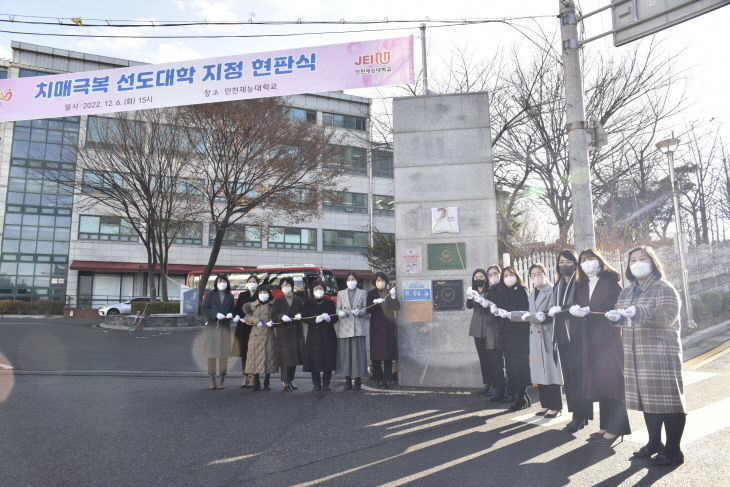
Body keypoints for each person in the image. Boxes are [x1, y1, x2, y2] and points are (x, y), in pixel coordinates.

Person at [605, 246, 687, 466]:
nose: (637, 263)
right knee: (647, 401)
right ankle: (654, 443)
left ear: (653, 262)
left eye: (642, 259)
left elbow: (667, 317)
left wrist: (639, 312)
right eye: (633, 260)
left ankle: (673, 450)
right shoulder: (627, 291)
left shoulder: (663, 288)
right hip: (634, 353)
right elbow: (624, 316)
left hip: (660, 353)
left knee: (669, 402)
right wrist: (614, 317)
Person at [569, 248, 631, 444]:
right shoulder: (581, 285)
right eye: (583, 259)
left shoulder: (610, 282)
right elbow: (577, 307)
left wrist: (590, 310)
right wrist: (575, 310)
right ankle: (605, 427)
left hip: (607, 338)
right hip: (589, 339)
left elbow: (615, 306)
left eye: (591, 258)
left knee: (612, 381)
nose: (587, 262)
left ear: (599, 260)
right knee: (600, 383)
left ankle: (616, 427)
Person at [548, 249, 593, 432]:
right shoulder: (558, 284)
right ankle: (576, 414)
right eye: (561, 262)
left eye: (568, 262)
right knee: (569, 379)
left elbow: (581, 307)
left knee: (579, 378)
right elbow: (555, 307)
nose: (564, 265)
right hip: (561, 334)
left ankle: (580, 416)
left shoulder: (581, 283)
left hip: (577, 335)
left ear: (575, 264)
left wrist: (563, 309)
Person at [514, 263, 563, 417]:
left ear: (545, 274)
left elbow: (550, 312)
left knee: (551, 372)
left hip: (548, 334)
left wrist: (533, 317)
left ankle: (556, 406)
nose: (537, 277)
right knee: (539, 371)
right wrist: (527, 316)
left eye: (539, 273)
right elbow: (531, 311)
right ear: (530, 278)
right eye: (533, 274)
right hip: (535, 337)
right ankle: (545, 404)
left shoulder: (552, 290)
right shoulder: (533, 293)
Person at [491, 266, 530, 411]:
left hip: (519, 335)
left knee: (521, 368)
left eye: (511, 274)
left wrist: (511, 315)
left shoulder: (521, 290)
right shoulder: (501, 292)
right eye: (505, 275)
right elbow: (494, 308)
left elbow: (526, 311)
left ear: (516, 276)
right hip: (506, 336)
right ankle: (522, 396)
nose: (508, 277)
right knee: (512, 369)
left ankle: (521, 398)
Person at [335, 272, 370, 390]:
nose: (351, 281)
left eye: (353, 279)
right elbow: (338, 308)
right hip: (345, 327)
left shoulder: (363, 293)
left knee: (358, 355)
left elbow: (366, 309)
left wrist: (360, 312)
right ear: (346, 281)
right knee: (346, 355)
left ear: (357, 281)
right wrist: (339, 313)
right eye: (349, 279)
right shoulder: (341, 293)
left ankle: (358, 380)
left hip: (358, 328)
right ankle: (348, 380)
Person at [302, 280, 339, 391]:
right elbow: (304, 317)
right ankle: (316, 383)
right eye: (316, 289)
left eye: (321, 289)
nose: (319, 291)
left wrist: (329, 318)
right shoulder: (308, 303)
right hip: (314, 335)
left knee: (328, 358)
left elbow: (335, 318)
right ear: (312, 291)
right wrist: (314, 320)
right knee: (314, 359)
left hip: (328, 334)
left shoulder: (330, 303)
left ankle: (326, 382)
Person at [201, 274, 236, 390]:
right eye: (220, 281)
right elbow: (204, 308)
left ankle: (222, 379)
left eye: (224, 281)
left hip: (225, 328)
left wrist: (232, 314)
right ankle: (212, 379)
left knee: (223, 355)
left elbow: (233, 310)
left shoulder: (230, 296)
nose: (222, 283)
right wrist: (215, 314)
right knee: (211, 355)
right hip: (213, 328)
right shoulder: (210, 295)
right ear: (216, 283)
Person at [367, 272, 401, 389]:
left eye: (381, 280)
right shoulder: (371, 294)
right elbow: (368, 310)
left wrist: (393, 297)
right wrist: (376, 303)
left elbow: (397, 307)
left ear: (386, 281)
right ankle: (378, 379)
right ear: (374, 282)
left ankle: (388, 379)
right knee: (376, 355)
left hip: (388, 326)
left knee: (388, 354)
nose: (380, 282)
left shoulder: (389, 292)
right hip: (376, 327)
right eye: (377, 280)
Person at [271, 277, 305, 392]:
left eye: (288, 285)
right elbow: (273, 315)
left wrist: (301, 315)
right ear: (281, 287)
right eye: (283, 285)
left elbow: (304, 311)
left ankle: (290, 380)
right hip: (283, 333)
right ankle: (285, 382)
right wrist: (281, 317)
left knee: (294, 359)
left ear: (292, 286)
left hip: (296, 332)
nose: (286, 287)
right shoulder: (278, 301)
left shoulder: (298, 299)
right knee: (285, 359)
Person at [243, 285, 277, 391]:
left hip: (269, 335)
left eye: (265, 292)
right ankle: (256, 381)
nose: (263, 294)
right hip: (256, 336)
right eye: (261, 292)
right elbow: (247, 317)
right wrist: (255, 320)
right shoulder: (252, 305)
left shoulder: (273, 305)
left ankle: (267, 381)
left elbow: (277, 316)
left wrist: (274, 322)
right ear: (257, 294)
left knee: (268, 358)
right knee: (255, 358)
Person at [467, 268, 492, 395]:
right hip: (477, 328)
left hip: (488, 327)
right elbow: (469, 305)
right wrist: (470, 296)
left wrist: (478, 300)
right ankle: (486, 383)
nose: (478, 279)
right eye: (476, 277)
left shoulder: (490, 292)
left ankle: (495, 384)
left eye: (481, 276)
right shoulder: (474, 291)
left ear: (485, 278)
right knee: (482, 357)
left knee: (491, 357)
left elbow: (486, 310)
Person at [483, 266, 507, 402]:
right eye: (490, 274)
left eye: (495, 273)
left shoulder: (504, 289)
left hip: (501, 329)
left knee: (501, 363)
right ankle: (498, 390)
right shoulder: (490, 290)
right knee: (494, 363)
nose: (493, 277)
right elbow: (486, 311)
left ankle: (505, 391)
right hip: (490, 330)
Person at [232, 275, 259, 388]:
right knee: (244, 353)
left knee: (254, 353)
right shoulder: (243, 295)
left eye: (254, 282)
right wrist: (237, 316)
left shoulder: (260, 295)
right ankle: (245, 376)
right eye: (250, 281)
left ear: (257, 284)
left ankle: (254, 377)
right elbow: (237, 309)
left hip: (254, 327)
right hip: (242, 327)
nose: (251, 283)